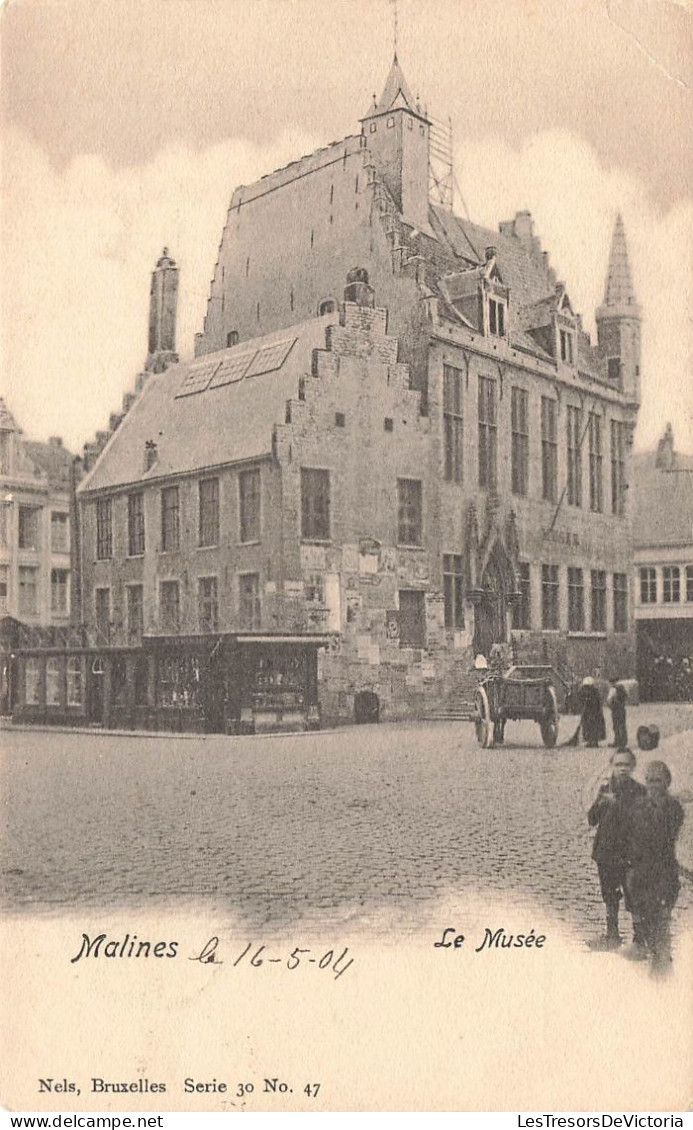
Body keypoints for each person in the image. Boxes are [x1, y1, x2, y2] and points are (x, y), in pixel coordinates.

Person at [623, 760, 684, 972]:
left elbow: (664, 836)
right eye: (648, 780)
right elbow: (629, 835)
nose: (652, 785)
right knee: (648, 925)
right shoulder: (639, 805)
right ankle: (656, 963)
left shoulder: (673, 808)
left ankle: (662, 974)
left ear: (667, 782)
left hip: (662, 876)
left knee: (660, 926)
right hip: (639, 876)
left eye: (657, 780)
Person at [587, 748, 645, 949]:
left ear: (633, 767)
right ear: (612, 766)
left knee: (633, 895)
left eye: (626, 765)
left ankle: (639, 939)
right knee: (609, 894)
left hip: (629, 852)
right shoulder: (605, 789)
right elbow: (592, 819)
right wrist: (601, 800)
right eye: (618, 765)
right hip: (606, 851)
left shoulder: (639, 791)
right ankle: (612, 935)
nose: (622, 769)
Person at [579, 677, 606, 747]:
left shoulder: (593, 692)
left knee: (592, 726)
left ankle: (593, 741)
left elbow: (594, 702)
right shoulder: (592, 691)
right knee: (590, 727)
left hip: (593, 713)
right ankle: (591, 741)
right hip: (593, 713)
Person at [607, 678, 628, 749]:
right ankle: (623, 741)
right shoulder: (622, 688)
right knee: (622, 725)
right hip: (622, 709)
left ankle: (617, 741)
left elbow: (609, 700)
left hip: (615, 710)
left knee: (616, 726)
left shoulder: (612, 689)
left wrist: (610, 706)